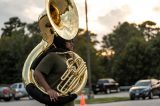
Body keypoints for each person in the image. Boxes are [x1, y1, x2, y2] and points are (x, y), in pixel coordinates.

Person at [34, 35, 76, 106]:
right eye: (69, 41)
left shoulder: (67, 57)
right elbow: (37, 72)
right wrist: (48, 89)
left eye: (72, 41)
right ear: (61, 42)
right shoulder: (53, 56)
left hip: (69, 101)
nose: (72, 44)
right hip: (56, 101)